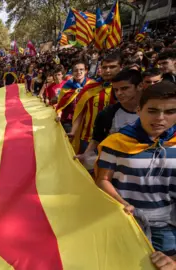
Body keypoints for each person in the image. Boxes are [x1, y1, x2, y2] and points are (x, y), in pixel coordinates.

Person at [96, 82, 176, 257]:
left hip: (166, 228)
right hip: (125, 221)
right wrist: (122, 204)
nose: (160, 118)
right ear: (139, 110)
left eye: (170, 112)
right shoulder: (116, 142)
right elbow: (103, 180)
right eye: (152, 111)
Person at [76, 69, 142, 169]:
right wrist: (86, 155)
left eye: (124, 88)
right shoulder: (106, 114)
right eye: (116, 90)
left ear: (139, 86)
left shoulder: (154, 112)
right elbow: (96, 139)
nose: (119, 93)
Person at [68, 54, 122, 154]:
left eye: (112, 67)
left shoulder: (126, 90)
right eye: (104, 67)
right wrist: (73, 132)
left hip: (115, 142)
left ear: (121, 68)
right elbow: (80, 112)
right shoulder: (90, 88)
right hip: (87, 140)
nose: (108, 70)